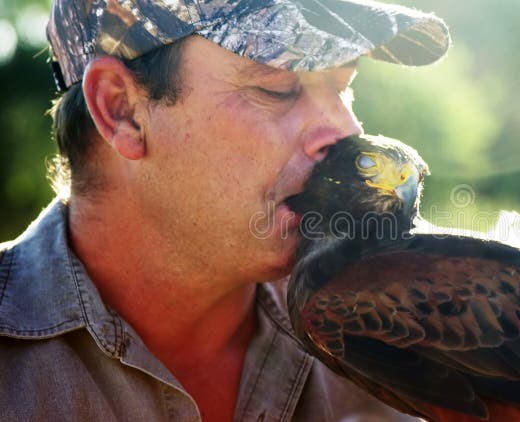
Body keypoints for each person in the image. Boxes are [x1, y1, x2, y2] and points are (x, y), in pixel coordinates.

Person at [0, 1, 450, 420]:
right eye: (276, 87)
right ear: (121, 110)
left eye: (342, 87)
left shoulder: (421, 326)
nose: (346, 129)